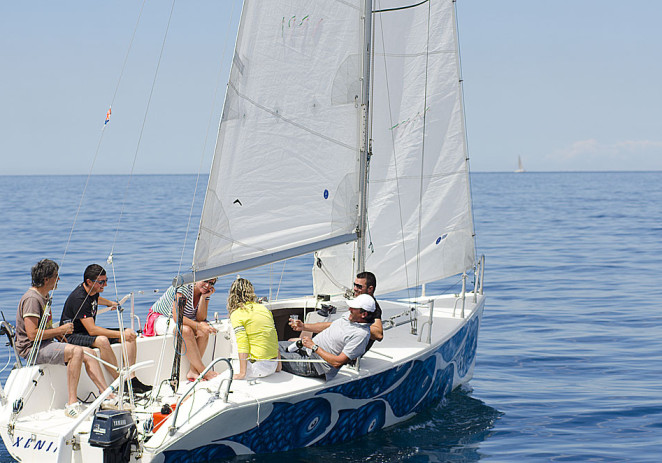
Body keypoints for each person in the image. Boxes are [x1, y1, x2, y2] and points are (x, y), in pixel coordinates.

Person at [15, 259, 110, 418]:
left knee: (90, 353)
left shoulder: (43, 296)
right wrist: (60, 330)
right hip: (32, 349)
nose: (58, 279)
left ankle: (107, 395)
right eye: (56, 276)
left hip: (45, 342)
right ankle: (71, 403)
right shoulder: (33, 299)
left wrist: (55, 332)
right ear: (46, 279)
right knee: (77, 352)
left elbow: (41, 329)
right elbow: (32, 335)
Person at [60, 264, 151, 394]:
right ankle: (120, 381)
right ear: (89, 281)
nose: (105, 285)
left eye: (106, 281)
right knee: (103, 340)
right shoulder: (79, 298)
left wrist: (110, 303)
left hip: (87, 332)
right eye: (101, 282)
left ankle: (131, 378)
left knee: (130, 333)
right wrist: (120, 334)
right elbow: (92, 331)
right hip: (73, 335)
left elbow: (96, 299)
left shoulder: (92, 290)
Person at [279, 293, 375, 381]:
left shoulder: (361, 335)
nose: (349, 309)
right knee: (269, 347)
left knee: (270, 355)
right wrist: (304, 326)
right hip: (306, 348)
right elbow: (330, 325)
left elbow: (337, 363)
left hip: (314, 365)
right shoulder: (350, 317)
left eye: (353, 308)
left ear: (364, 314)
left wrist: (314, 347)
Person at [147, 278, 219, 380]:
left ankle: (193, 371)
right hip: (161, 318)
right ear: (196, 279)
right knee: (186, 330)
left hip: (181, 319)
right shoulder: (183, 288)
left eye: (211, 283)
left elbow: (200, 318)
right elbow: (177, 317)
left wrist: (204, 298)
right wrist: (199, 326)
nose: (207, 285)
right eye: (205, 281)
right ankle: (203, 371)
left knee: (204, 330)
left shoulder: (205, 292)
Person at [227, 278, 280, 380]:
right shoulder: (264, 309)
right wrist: (278, 366)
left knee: (238, 337)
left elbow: (243, 344)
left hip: (257, 369)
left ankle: (240, 369)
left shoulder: (237, 314)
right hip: (272, 366)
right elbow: (273, 335)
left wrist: (242, 373)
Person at [353, 271, 383, 350]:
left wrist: (351, 326)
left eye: (359, 286)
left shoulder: (373, 308)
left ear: (370, 289)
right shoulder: (358, 300)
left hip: (350, 355)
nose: (355, 289)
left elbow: (379, 334)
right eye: (354, 285)